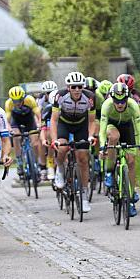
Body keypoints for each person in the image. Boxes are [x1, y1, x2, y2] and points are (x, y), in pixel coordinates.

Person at [50, 71, 96, 213]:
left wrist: (91, 136)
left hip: (81, 125)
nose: (77, 90)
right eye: (73, 87)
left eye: (79, 87)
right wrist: (54, 140)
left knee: (83, 157)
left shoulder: (90, 97)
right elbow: (53, 120)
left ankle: (83, 194)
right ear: (68, 87)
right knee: (62, 149)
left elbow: (92, 121)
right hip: (64, 124)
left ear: (83, 87)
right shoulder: (60, 96)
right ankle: (60, 171)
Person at [100, 83, 140, 217]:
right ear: (112, 98)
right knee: (114, 137)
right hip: (111, 125)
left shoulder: (133, 105)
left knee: (131, 161)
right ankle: (109, 171)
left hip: (128, 127)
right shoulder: (107, 105)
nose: (120, 104)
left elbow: (139, 128)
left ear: (127, 98)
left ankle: (130, 197)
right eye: (116, 101)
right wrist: (103, 145)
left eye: (123, 101)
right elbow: (102, 129)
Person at [4, 86, 42, 181]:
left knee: (35, 143)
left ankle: (36, 164)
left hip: (29, 121)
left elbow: (38, 114)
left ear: (23, 97)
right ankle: (20, 162)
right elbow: (7, 121)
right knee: (16, 137)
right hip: (16, 121)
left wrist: (40, 124)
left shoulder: (30, 100)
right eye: (15, 101)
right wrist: (9, 129)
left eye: (19, 100)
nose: (17, 103)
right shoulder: (8, 103)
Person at [39, 80, 57, 180]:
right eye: (48, 93)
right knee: (48, 138)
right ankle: (48, 165)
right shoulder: (42, 101)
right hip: (48, 123)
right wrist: (43, 139)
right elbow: (39, 115)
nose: (50, 95)